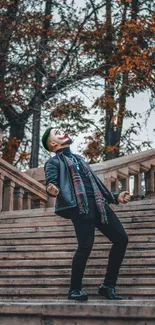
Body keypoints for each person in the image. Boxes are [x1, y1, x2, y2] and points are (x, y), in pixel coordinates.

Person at [42, 127, 131, 301]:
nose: (63, 131)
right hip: (80, 207)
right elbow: (51, 181)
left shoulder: (80, 160)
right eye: (57, 132)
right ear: (53, 143)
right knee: (85, 247)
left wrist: (114, 197)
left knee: (121, 239)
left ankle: (108, 286)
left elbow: (95, 184)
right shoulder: (53, 162)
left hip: (99, 204)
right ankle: (74, 290)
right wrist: (52, 189)